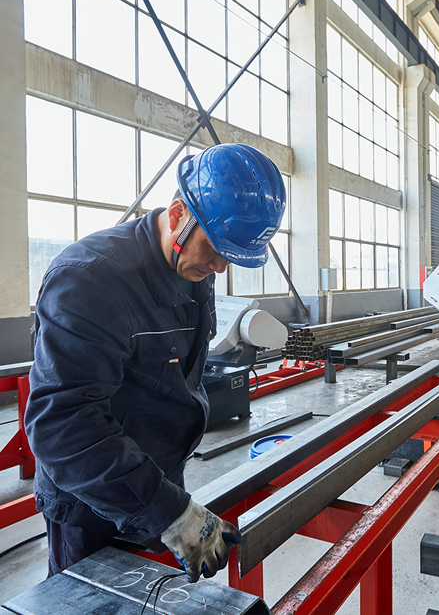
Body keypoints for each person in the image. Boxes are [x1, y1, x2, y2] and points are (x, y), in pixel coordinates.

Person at [25, 143, 286, 583]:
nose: (221, 266)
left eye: (232, 256)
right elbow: (63, 424)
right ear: (179, 213)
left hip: (158, 481)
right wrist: (169, 513)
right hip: (93, 502)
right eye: (216, 248)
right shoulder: (90, 280)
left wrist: (170, 504)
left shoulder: (192, 271)